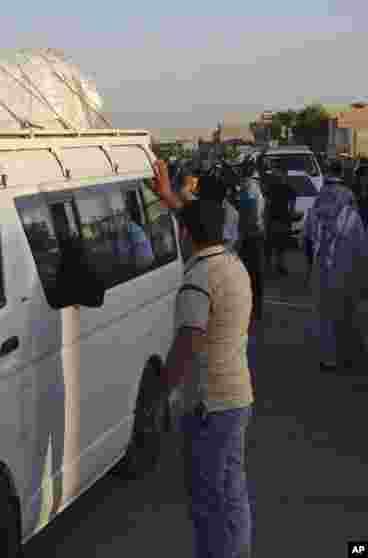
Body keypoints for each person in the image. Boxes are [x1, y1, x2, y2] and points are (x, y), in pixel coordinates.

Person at [163, 198, 254, 558]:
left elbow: (189, 339)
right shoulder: (233, 264)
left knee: (208, 499)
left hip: (208, 405)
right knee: (231, 494)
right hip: (235, 396)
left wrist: (165, 390)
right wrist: (174, 197)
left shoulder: (198, 278)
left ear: (184, 233)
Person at [303, 172, 367, 371]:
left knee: (325, 315)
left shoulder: (315, 211)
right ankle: (346, 356)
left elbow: (308, 241)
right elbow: (362, 248)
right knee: (346, 312)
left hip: (323, 272)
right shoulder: (351, 215)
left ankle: (329, 358)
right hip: (346, 273)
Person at [234, 160, 267, 325]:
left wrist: (243, 234)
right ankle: (255, 309)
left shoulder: (249, 187)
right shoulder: (253, 186)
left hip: (251, 237)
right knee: (253, 274)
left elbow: (252, 215)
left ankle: (254, 310)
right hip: (254, 235)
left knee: (251, 274)